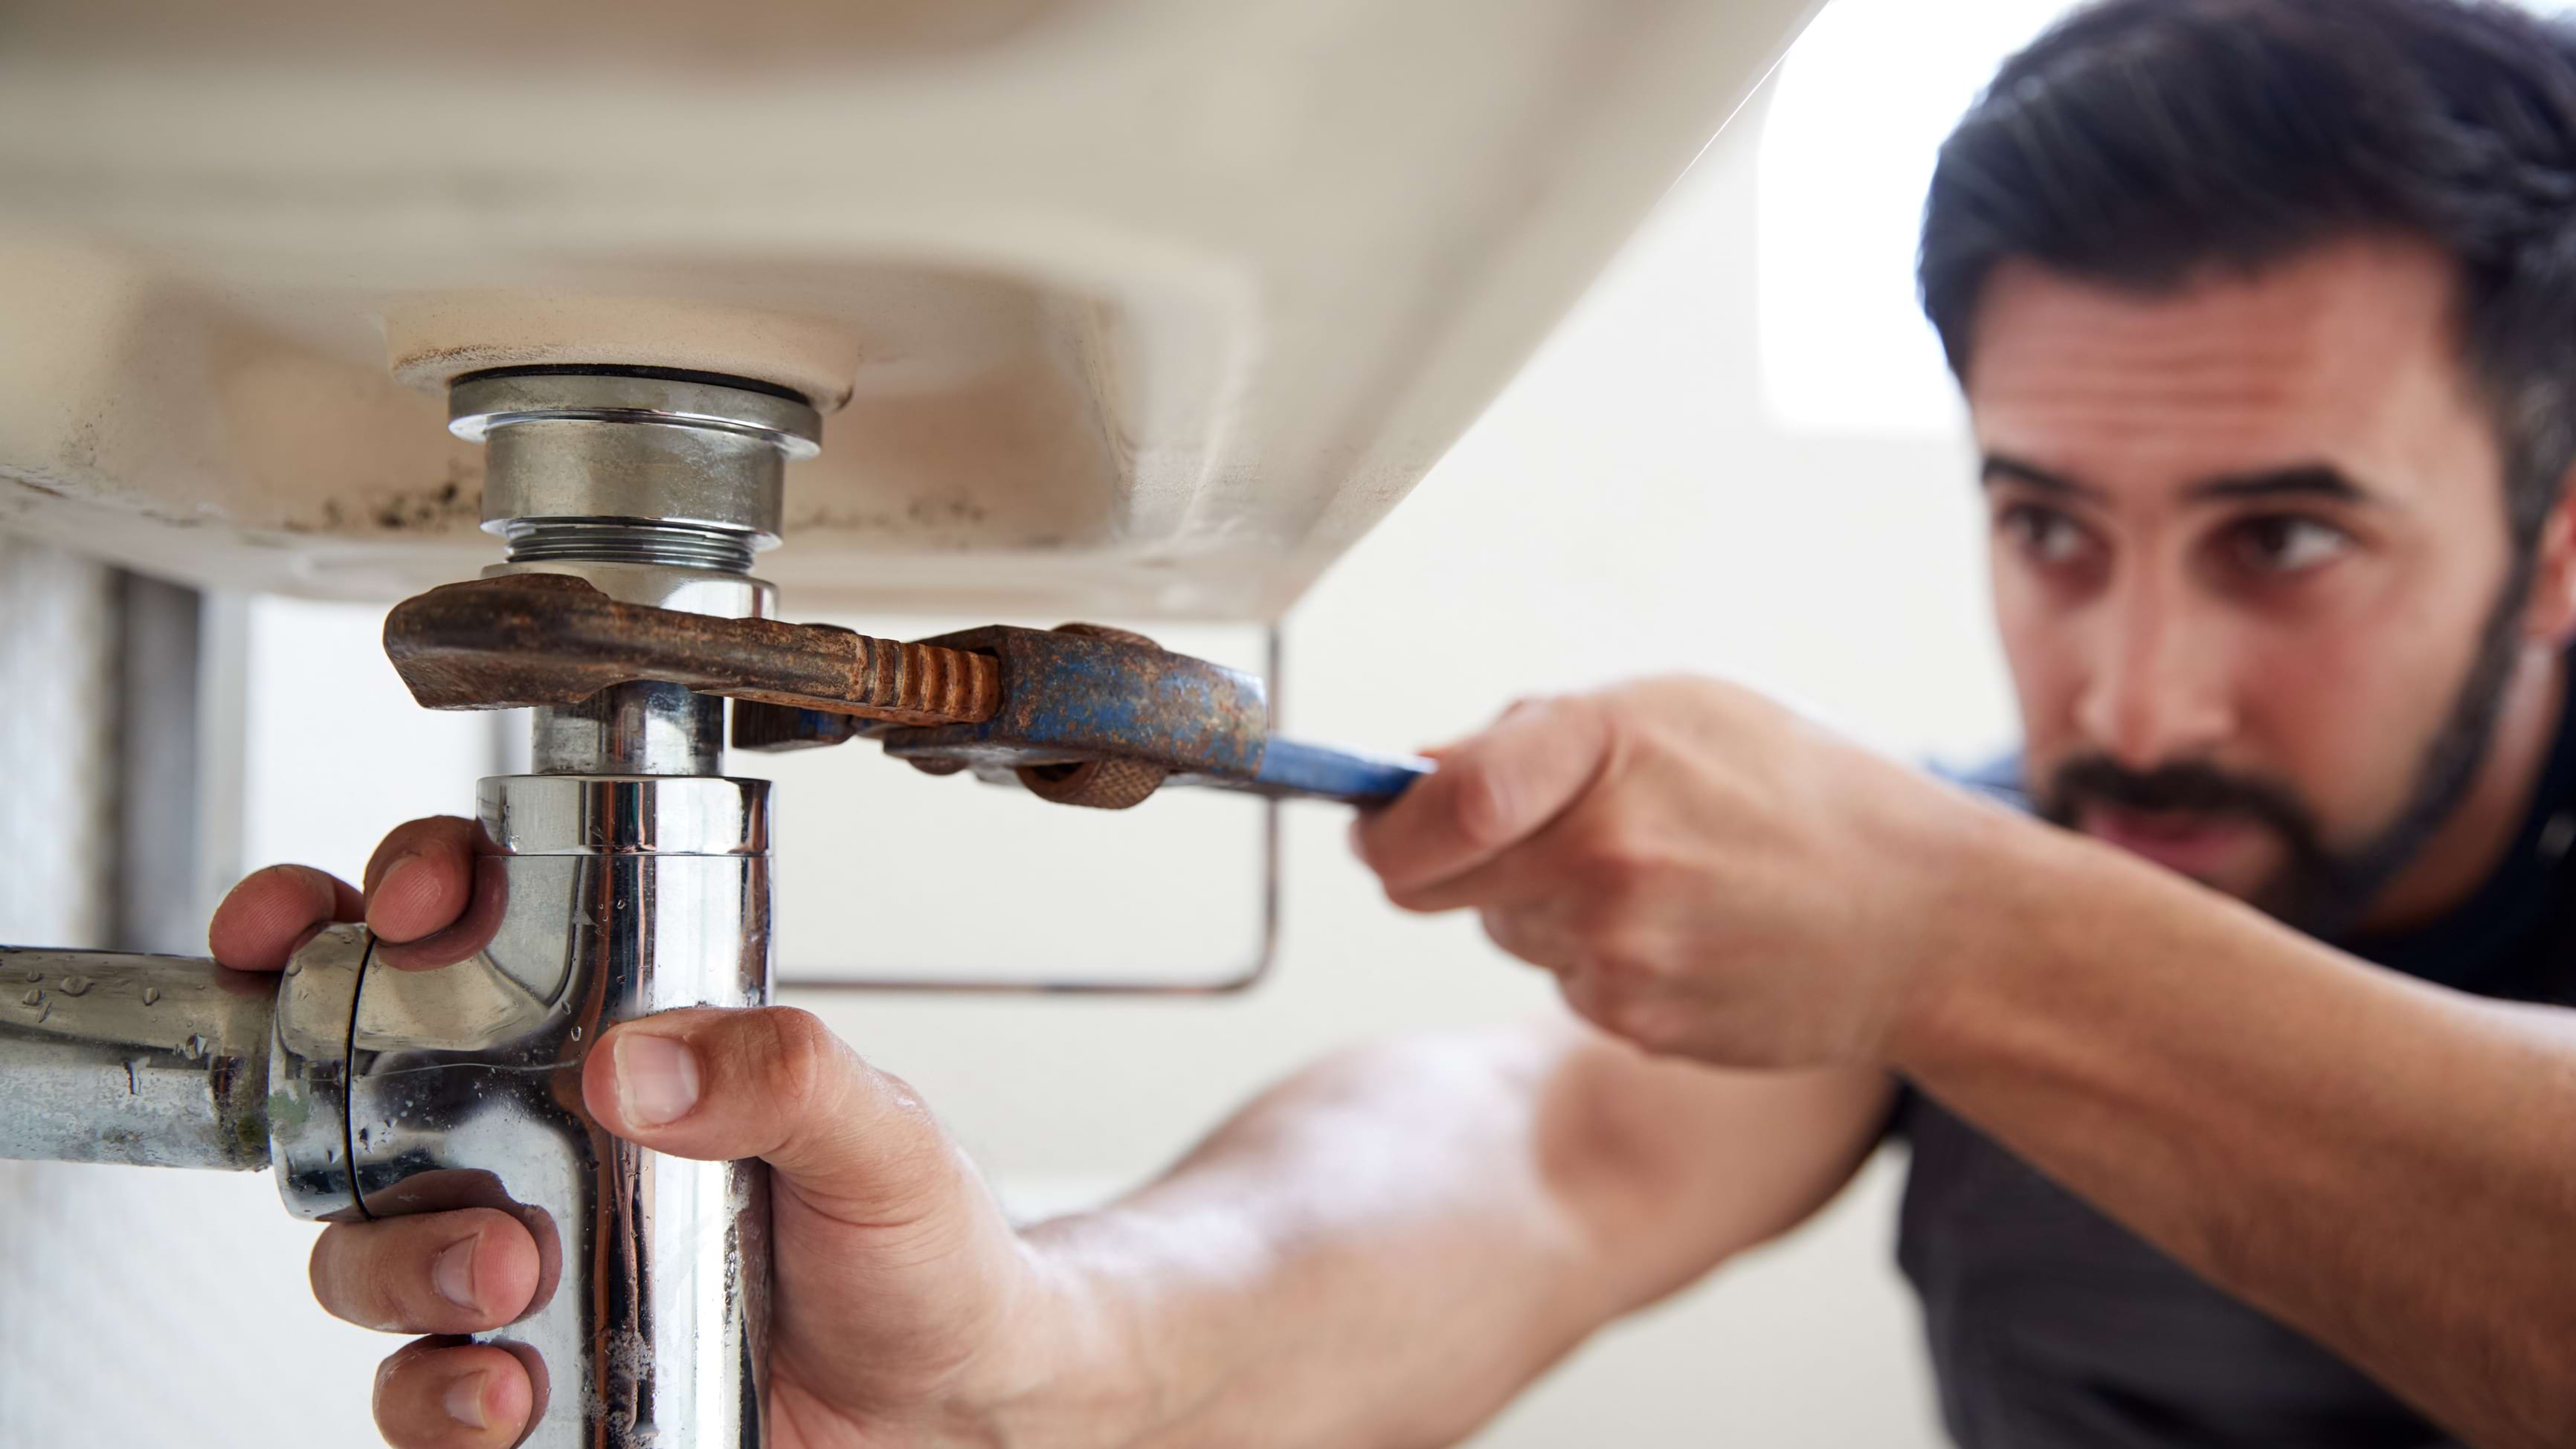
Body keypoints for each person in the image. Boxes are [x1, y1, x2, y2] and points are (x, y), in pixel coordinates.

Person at [207, 1, 2576, 1445]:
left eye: (2285, 542)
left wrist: (1957, 934)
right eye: (2051, 526)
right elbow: (1526, 1169)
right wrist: (1050, 1356)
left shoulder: (1970, 913)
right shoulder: (1986, 891)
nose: (2131, 691)